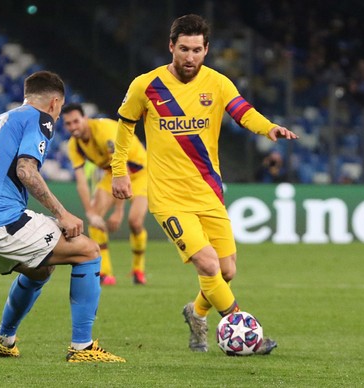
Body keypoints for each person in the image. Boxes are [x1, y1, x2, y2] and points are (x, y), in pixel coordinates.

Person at [111, 14, 298, 354]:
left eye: (197, 50)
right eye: (183, 49)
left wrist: (268, 127)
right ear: (171, 47)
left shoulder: (217, 83)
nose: (190, 57)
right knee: (208, 264)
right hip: (168, 198)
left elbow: (243, 111)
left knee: (225, 271)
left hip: (208, 192)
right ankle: (246, 334)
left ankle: (195, 313)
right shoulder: (146, 86)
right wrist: (118, 169)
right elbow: (124, 126)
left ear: (206, 49)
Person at [0, 70, 125, 363]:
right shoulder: (40, 119)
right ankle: (82, 347)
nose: (59, 117)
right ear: (53, 103)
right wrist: (63, 214)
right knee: (88, 251)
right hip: (2, 221)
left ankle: (4, 340)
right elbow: (26, 171)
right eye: (60, 109)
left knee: (39, 270)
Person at [61, 103, 149, 286]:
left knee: (135, 221)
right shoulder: (74, 145)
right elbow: (81, 182)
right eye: (68, 124)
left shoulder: (104, 130)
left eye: (76, 121)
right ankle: (105, 273)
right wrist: (90, 213)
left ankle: (138, 269)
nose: (73, 127)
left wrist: (118, 210)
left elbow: (121, 167)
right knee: (95, 221)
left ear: (85, 118)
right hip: (112, 174)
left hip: (140, 172)